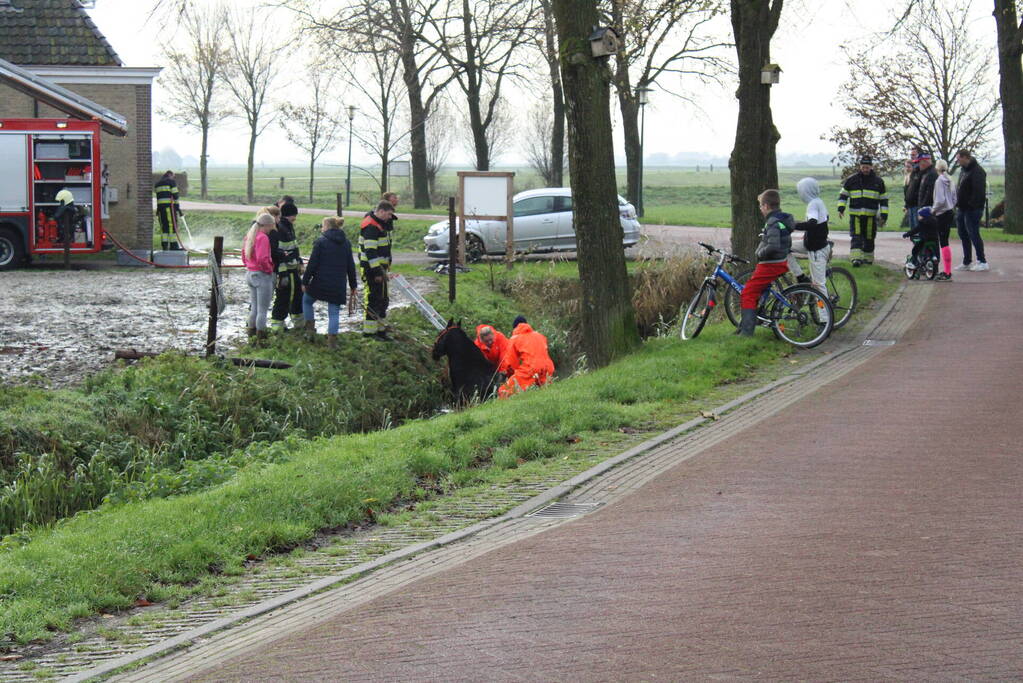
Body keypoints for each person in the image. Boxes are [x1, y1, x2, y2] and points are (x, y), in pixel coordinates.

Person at [737, 189, 793, 337]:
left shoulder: (773, 222)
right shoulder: (780, 220)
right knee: (757, 291)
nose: (760, 209)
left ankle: (746, 332)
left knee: (748, 293)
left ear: (767, 206)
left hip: (771, 264)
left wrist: (760, 253)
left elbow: (773, 245)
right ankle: (745, 325)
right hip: (778, 262)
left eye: (761, 206)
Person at [301, 217, 358, 349]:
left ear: (326, 227)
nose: (321, 229)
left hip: (320, 282)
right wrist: (353, 285)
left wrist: (305, 281)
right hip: (338, 284)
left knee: (307, 301)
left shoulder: (320, 242)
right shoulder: (346, 243)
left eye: (322, 226)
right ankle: (332, 342)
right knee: (334, 313)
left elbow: (312, 264)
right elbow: (351, 266)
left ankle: (309, 331)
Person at [837, 155, 888, 266]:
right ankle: (856, 259)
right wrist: (841, 209)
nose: (865, 169)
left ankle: (868, 260)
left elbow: (883, 200)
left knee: (869, 237)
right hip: (856, 215)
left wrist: (884, 215)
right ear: (860, 166)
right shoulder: (852, 180)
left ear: (871, 167)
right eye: (863, 167)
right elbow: (843, 195)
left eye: (867, 167)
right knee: (856, 236)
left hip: (871, 216)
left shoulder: (878, 182)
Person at [786, 177, 830, 293]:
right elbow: (820, 223)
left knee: (818, 286)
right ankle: (801, 277)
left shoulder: (813, 204)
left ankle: (825, 311)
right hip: (811, 244)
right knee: (784, 246)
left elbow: (812, 223)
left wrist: (793, 225)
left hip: (816, 249)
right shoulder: (819, 202)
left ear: (806, 191)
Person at [359, 200, 395, 340]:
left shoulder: (380, 224)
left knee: (383, 299)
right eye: (388, 214)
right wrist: (377, 272)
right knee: (374, 299)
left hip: (381, 269)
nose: (390, 217)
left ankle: (380, 330)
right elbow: (370, 252)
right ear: (380, 211)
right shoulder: (371, 227)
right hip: (372, 270)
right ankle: (369, 333)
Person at [498, 315, 555, 398]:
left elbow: (511, 363)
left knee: (503, 391)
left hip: (530, 369)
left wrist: (511, 374)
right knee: (547, 391)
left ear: (514, 328)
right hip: (548, 368)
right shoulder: (539, 335)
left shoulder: (515, 338)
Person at [269, 200, 304, 331]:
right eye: (295, 215)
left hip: (292, 269)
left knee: (296, 295)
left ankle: (298, 324)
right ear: (291, 215)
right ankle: (278, 326)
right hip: (285, 270)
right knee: (284, 297)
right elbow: (279, 254)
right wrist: (283, 273)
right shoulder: (281, 229)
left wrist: (299, 261)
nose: (295, 218)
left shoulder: (288, 227)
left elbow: (294, 248)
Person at [242, 213, 276, 343]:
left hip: (250, 273)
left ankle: (251, 335)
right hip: (261, 275)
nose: (272, 228)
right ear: (267, 225)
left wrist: (250, 266)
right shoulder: (263, 238)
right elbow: (263, 258)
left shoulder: (249, 236)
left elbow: (244, 256)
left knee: (254, 308)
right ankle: (261, 338)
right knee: (262, 310)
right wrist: (269, 269)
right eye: (272, 225)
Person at [954, 149, 989, 271]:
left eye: (958, 158)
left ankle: (982, 261)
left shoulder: (977, 171)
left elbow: (978, 192)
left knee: (973, 233)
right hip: (962, 208)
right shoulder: (963, 171)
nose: (957, 161)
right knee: (963, 234)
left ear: (965, 157)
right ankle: (967, 261)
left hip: (972, 209)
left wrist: (970, 205)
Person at [930, 158, 957, 280]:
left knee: (943, 241)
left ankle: (947, 272)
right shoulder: (950, 180)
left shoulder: (939, 181)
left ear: (937, 168)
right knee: (945, 240)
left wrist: (933, 210)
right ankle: (947, 270)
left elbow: (940, 200)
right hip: (950, 212)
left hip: (942, 213)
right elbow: (954, 198)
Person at [902, 207, 940, 274]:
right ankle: (935, 269)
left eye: (919, 215)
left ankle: (914, 264)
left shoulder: (922, 222)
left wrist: (907, 234)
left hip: (925, 240)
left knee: (915, 250)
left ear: (924, 215)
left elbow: (916, 230)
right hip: (935, 240)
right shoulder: (935, 220)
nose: (918, 217)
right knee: (935, 253)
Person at [154, 170, 182, 251]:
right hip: (168, 209)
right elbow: (176, 195)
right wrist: (178, 208)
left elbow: (160, 197)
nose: (173, 178)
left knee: (164, 228)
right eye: (173, 176)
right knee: (171, 226)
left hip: (160, 210)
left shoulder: (157, 184)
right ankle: (174, 246)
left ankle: (165, 246)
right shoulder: (171, 182)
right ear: (170, 175)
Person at [904, 147, 922, 231]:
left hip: (916, 204)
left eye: (914, 155)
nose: (912, 156)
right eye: (911, 155)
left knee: (916, 227)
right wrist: (906, 205)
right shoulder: (908, 175)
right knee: (912, 228)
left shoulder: (919, 171)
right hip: (910, 204)